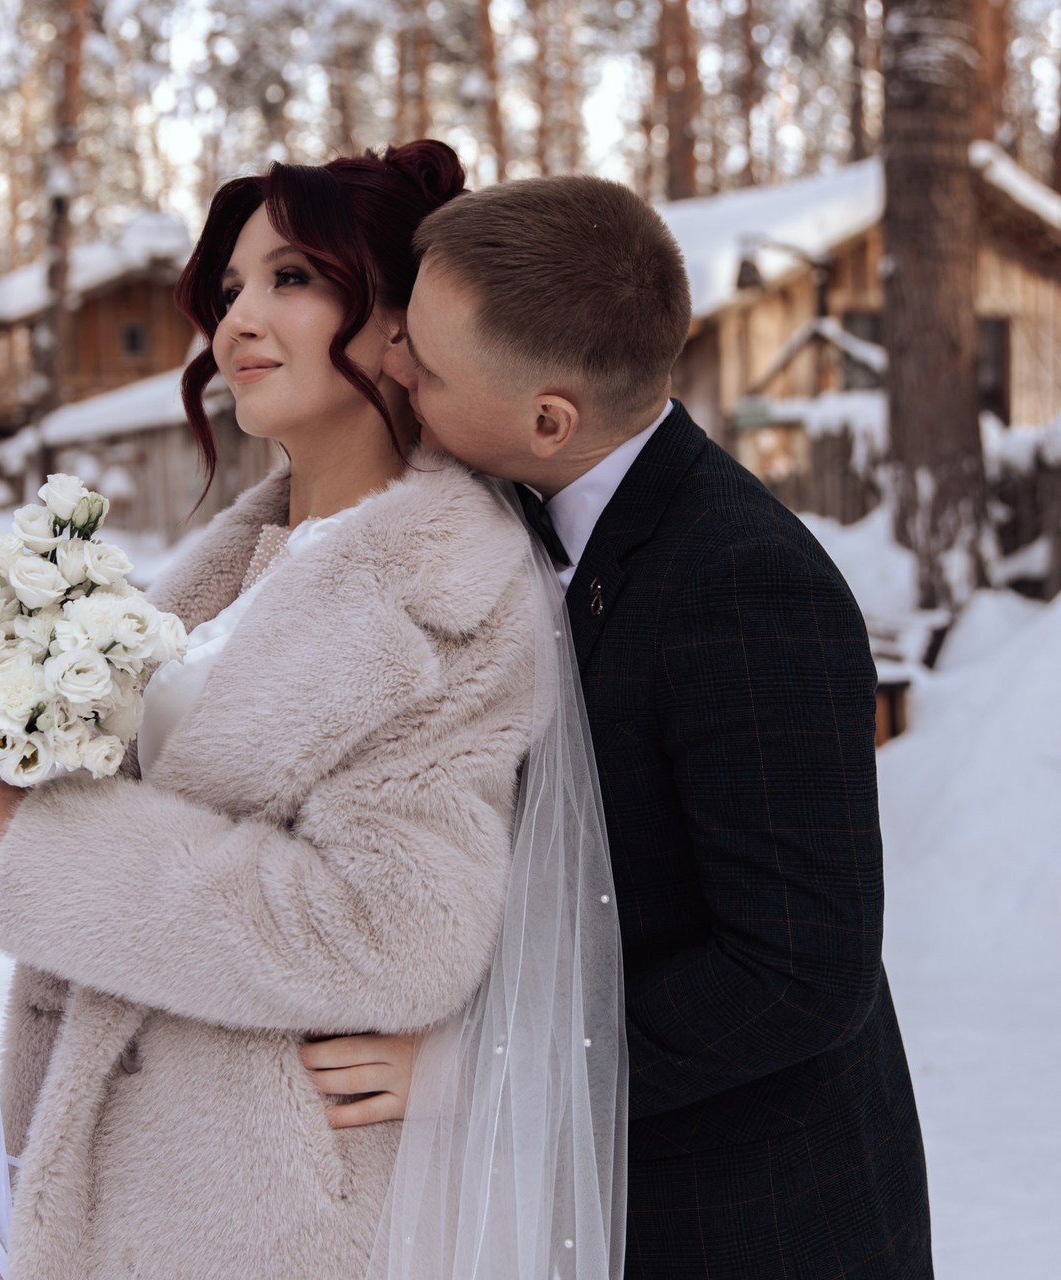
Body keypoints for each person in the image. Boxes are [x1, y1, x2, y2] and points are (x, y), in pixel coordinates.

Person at [0, 141, 568, 1280]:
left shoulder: (449, 592)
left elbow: (391, 927)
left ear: (404, 325)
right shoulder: (233, 567)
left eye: (291, 278)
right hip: (139, 1175)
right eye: (230, 287)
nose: (236, 318)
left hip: (276, 1208)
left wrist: (62, 852)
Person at [309, 175, 935, 1278]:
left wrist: (488, 1065)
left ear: (548, 417)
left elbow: (795, 968)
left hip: (740, 1216)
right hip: (572, 1195)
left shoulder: (742, 588)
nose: (393, 363)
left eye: (426, 362)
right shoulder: (508, 500)